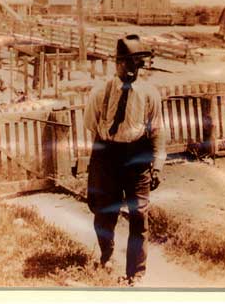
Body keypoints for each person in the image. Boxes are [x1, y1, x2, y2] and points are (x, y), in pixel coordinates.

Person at [84, 34, 166, 286]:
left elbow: (157, 131)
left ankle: (136, 273)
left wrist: (158, 166)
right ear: (117, 63)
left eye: (137, 64)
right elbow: (92, 126)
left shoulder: (150, 93)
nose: (132, 70)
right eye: (127, 64)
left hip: (137, 159)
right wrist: (98, 164)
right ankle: (106, 255)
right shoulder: (100, 93)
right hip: (107, 156)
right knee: (103, 212)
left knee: (139, 216)